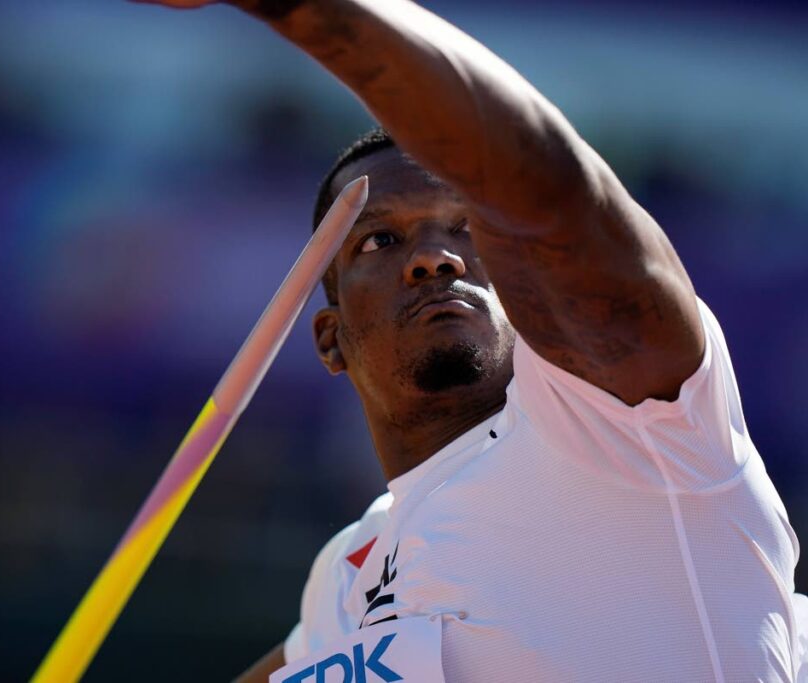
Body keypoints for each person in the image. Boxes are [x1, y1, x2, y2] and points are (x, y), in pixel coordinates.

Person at [133, 1, 806, 680]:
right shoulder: (346, 575)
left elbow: (546, 184)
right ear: (331, 339)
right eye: (380, 239)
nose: (436, 258)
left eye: (467, 229)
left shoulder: (631, 424)